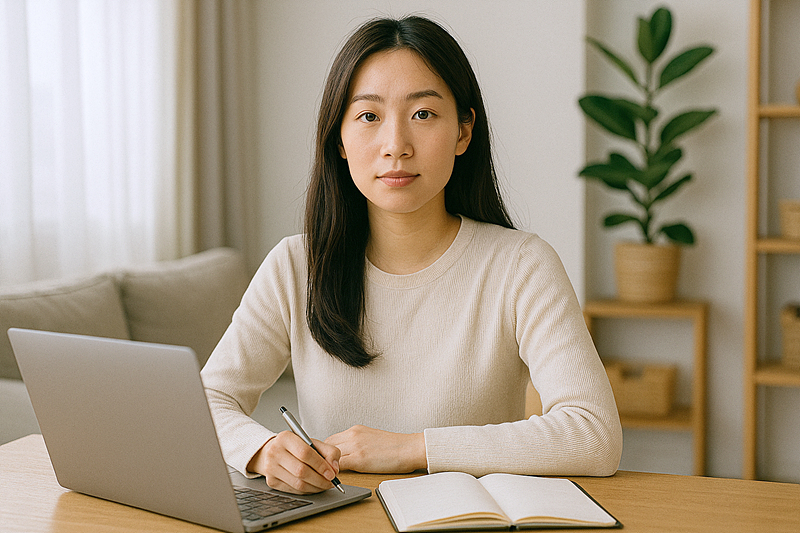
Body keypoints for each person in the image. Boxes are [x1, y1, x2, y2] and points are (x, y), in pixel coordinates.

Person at [201, 15, 622, 495]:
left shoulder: (521, 265)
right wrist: (259, 450)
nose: (395, 146)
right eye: (369, 116)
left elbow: (593, 433)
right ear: (339, 139)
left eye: (423, 114)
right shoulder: (297, 266)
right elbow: (207, 400)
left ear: (463, 132)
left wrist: (412, 449)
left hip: (465, 523)